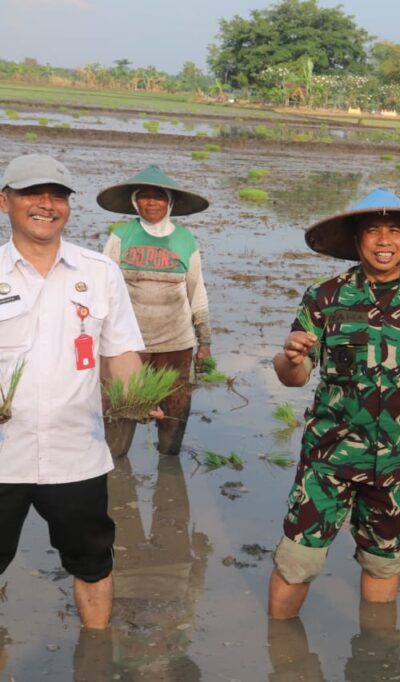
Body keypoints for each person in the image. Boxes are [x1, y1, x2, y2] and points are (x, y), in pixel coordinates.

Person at [267, 187, 400, 617]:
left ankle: (376, 655)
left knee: (384, 565)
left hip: (398, 462)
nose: (384, 241)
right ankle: (281, 651)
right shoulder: (324, 297)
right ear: (356, 240)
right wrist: (289, 356)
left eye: (394, 231)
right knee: (297, 562)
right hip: (329, 460)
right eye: (372, 231)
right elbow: (293, 377)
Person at [0, 154, 155, 629]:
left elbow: (123, 351)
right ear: (4, 202)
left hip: (77, 454)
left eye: (58, 195)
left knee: (93, 562)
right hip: (3, 457)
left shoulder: (99, 272)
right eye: (32, 193)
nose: (46, 205)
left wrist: (137, 399)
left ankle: (95, 653)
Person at [98, 166, 212, 456]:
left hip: (175, 343)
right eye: (144, 197)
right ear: (135, 202)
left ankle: (169, 463)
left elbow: (196, 291)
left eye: (158, 197)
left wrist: (205, 342)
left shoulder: (185, 241)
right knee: (120, 410)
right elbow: (102, 288)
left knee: (174, 412)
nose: (151, 203)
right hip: (127, 345)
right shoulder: (121, 237)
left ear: (170, 202)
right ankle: (116, 468)